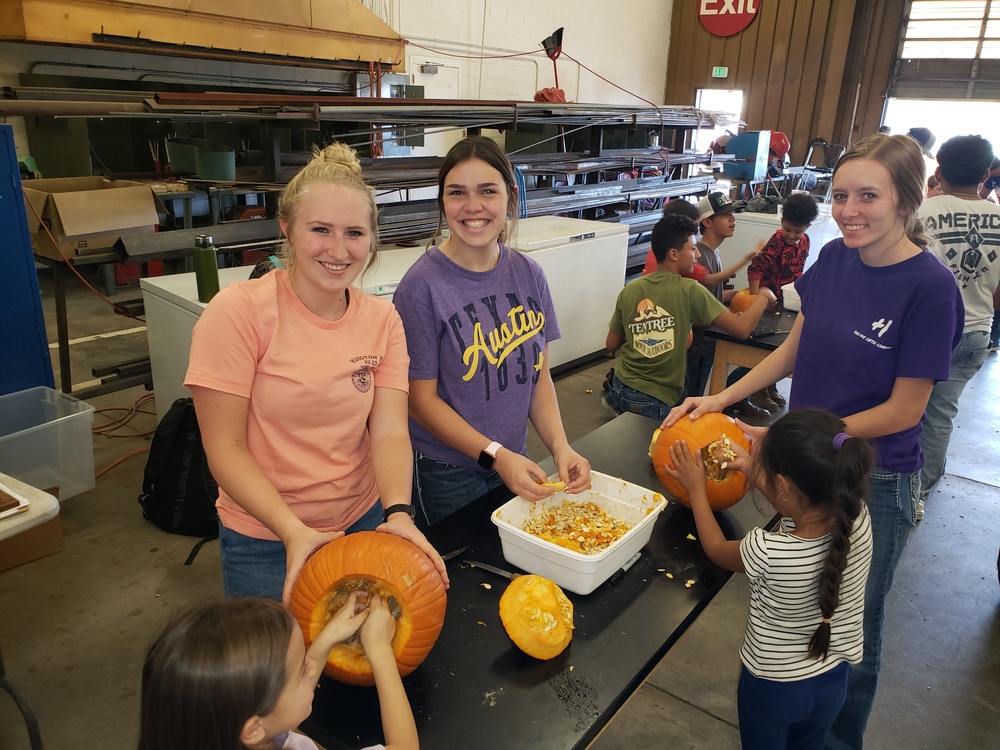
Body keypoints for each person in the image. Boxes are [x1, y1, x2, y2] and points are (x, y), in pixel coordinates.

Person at [662, 133, 964, 750]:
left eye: (868, 196)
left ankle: (837, 741)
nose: (849, 210)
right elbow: (798, 344)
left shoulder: (931, 289)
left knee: (854, 626)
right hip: (810, 458)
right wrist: (723, 398)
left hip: (871, 477)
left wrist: (797, 438)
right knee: (803, 608)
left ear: (908, 202)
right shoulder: (835, 258)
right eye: (842, 195)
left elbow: (907, 409)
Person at [185, 142, 447, 605]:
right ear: (286, 228)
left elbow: (388, 432)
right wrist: (293, 532)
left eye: (354, 233)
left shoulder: (383, 321)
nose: (338, 250)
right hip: (265, 537)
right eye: (320, 230)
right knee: (277, 672)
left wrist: (399, 512)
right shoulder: (238, 314)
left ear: (372, 238)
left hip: (363, 519)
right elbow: (224, 448)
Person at [392, 136, 591, 528]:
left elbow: (539, 377)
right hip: (446, 470)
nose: (472, 206)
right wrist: (495, 455)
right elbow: (420, 401)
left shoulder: (530, 275)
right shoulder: (420, 288)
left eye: (487, 191)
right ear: (442, 202)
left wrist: (561, 447)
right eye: (457, 193)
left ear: (510, 197)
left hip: (515, 458)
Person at [664, 409, 874, 750]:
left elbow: (717, 549)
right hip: (832, 681)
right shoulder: (856, 516)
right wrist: (751, 467)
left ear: (783, 485)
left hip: (773, 689)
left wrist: (697, 490)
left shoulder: (766, 550)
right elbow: (798, 500)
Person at [138, 594, 418, 750]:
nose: (310, 670)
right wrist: (379, 650)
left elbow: (283, 705)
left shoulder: (230, 732)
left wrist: (326, 638)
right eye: (301, 672)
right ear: (254, 728)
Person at [605, 214, 775, 419]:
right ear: (674, 254)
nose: (698, 255)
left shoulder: (630, 289)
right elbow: (741, 329)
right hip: (655, 398)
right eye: (693, 248)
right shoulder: (690, 289)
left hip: (620, 386)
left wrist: (644, 327)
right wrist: (763, 296)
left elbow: (611, 344)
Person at [916, 135, 1000, 520]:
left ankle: (888, 485)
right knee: (940, 417)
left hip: (925, 331)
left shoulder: (922, 212)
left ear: (938, 171)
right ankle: (919, 496)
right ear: (986, 174)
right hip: (976, 331)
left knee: (902, 411)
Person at [737, 192, 821, 413]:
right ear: (782, 221)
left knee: (780, 346)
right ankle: (756, 388)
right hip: (767, 301)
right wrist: (755, 299)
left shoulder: (806, 242)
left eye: (798, 231)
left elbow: (799, 272)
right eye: (788, 229)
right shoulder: (775, 242)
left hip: (787, 300)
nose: (792, 235)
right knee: (764, 349)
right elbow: (755, 269)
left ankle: (769, 386)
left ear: (807, 227)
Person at [685, 192, 762, 403]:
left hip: (708, 345)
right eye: (725, 215)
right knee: (688, 401)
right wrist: (728, 319)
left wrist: (734, 295)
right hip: (696, 349)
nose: (733, 219)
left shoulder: (713, 252)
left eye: (732, 214)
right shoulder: (699, 258)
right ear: (707, 221)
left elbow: (710, 299)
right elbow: (694, 315)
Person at [640, 198, 701, 276]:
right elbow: (706, 278)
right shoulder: (690, 286)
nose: (698, 254)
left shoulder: (658, 249)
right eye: (694, 225)